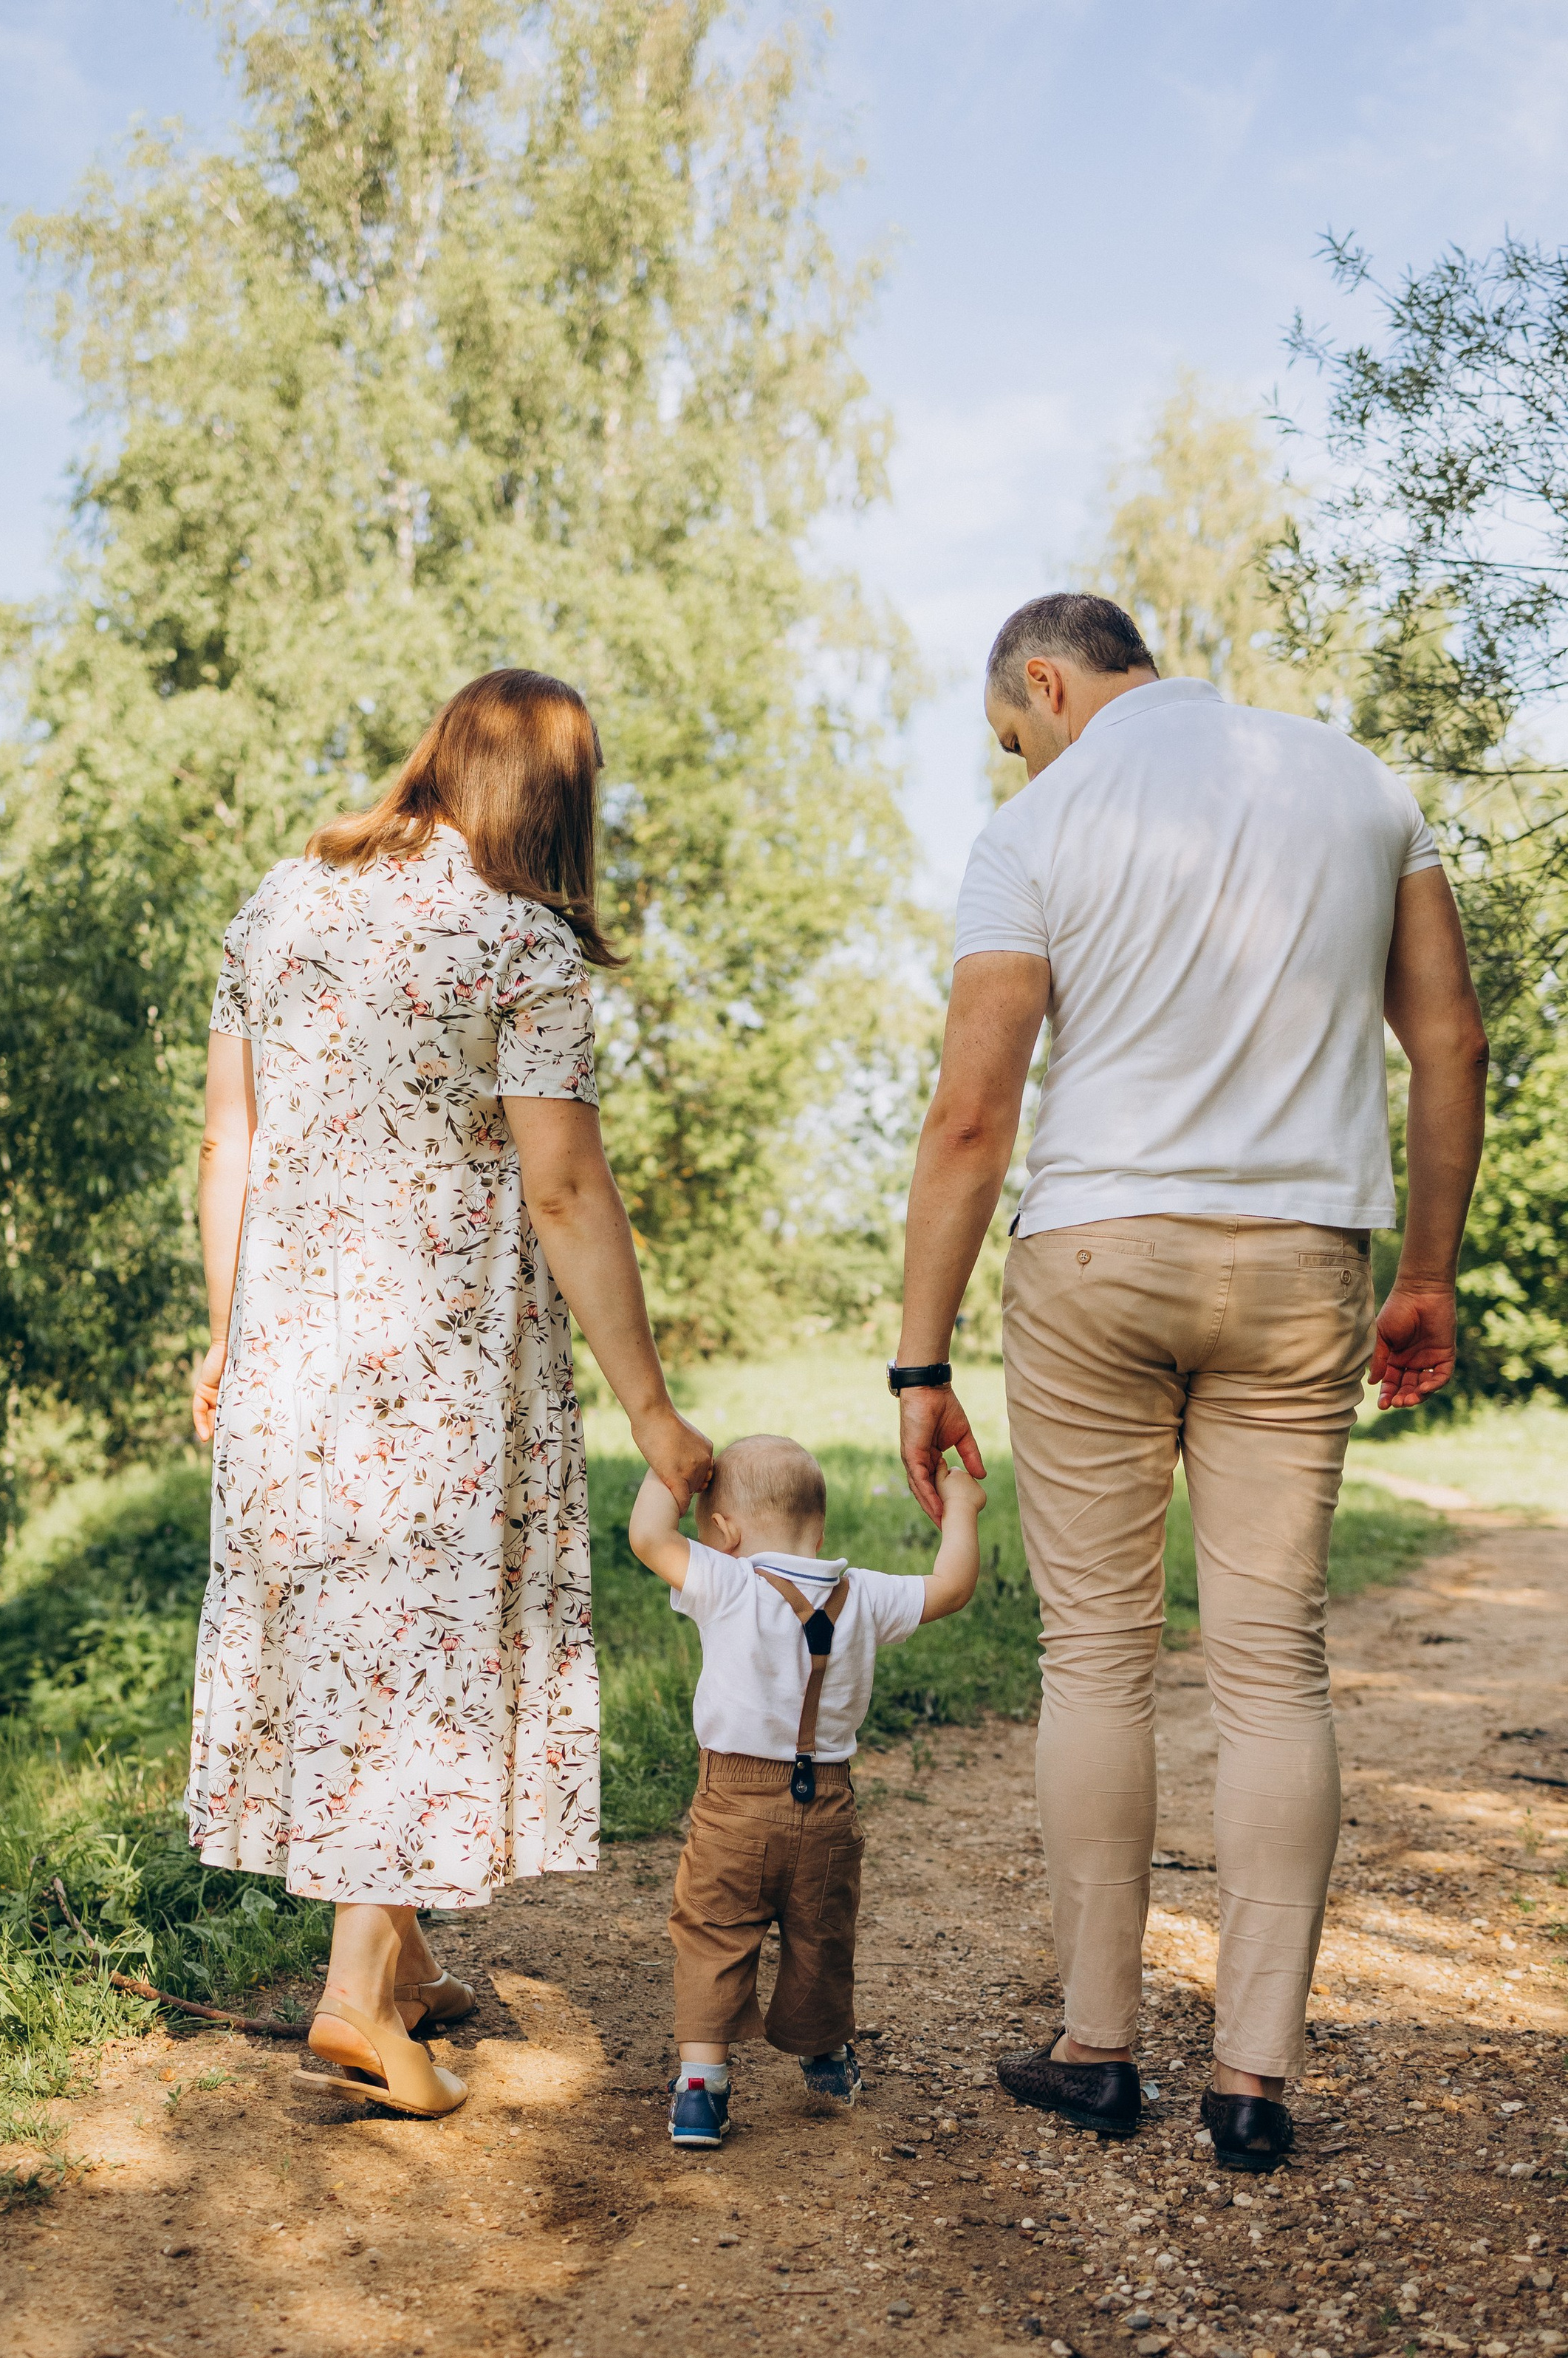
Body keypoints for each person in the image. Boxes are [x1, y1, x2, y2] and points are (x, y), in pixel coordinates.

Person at [894, 591, 1487, 2173]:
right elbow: (1447, 1040)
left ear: (1041, 680)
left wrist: (917, 1354)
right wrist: (1421, 1272)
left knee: (1095, 1656)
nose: (1018, 763)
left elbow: (970, 1115)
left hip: (1092, 1256)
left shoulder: (1043, 830)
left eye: (1011, 737)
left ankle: (1096, 2050)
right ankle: (1250, 2080)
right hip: (1299, 1261)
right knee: (1269, 1663)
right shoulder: (1358, 785)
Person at [188, 668, 712, 2120]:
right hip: (441, 1350)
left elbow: (230, 1144)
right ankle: (356, 2001)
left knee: (344, 1635)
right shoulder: (514, 939)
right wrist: (650, 1404)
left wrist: (230, 1337)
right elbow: (560, 1183)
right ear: (559, 803)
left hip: (295, 1339)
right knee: (415, 1646)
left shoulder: (282, 899)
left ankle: (402, 1963)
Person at [629, 1432, 983, 2147]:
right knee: (819, 1934)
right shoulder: (866, 1593)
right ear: (820, 1523)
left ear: (724, 1531)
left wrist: (672, 1470)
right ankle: (824, 2057)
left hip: (731, 1802)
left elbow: (645, 1534)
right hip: (827, 1806)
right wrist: (963, 1507)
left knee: (714, 1933)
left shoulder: (726, 1582)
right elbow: (952, 1587)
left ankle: (701, 2089)